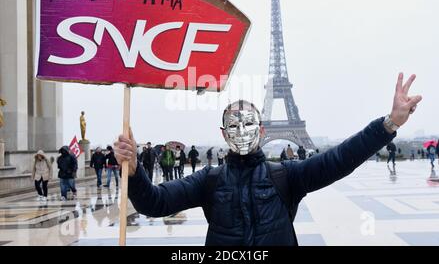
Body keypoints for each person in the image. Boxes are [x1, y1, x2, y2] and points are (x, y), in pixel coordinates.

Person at [114, 73, 421, 246]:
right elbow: (155, 203)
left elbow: (340, 159)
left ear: (261, 129)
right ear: (223, 134)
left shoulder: (286, 176)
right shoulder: (208, 180)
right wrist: (134, 169)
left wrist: (388, 125)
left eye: (248, 124)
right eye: (233, 126)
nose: (241, 131)